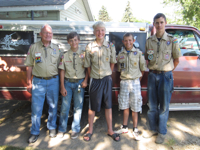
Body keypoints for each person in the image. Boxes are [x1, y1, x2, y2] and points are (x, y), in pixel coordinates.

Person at [143, 13, 181, 144]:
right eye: (157, 22)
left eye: (161, 22)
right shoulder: (149, 41)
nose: (159, 25)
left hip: (165, 76)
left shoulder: (172, 40)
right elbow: (148, 59)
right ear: (154, 24)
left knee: (164, 106)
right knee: (152, 105)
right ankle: (153, 129)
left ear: (165, 23)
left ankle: (162, 132)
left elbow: (176, 60)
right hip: (152, 75)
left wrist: (168, 71)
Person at [83, 21, 120, 142]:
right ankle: (90, 130)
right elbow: (87, 65)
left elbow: (113, 61)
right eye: (98, 30)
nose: (100, 32)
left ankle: (110, 130)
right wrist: (89, 78)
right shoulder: (89, 47)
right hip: (94, 80)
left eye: (102, 30)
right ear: (94, 32)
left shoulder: (110, 46)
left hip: (107, 79)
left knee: (108, 106)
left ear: (105, 31)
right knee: (92, 107)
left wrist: (109, 72)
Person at [25, 24, 60, 143]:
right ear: (40, 34)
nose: (48, 35)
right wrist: (29, 82)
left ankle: (52, 127)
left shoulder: (57, 48)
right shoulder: (33, 47)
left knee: (53, 107)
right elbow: (29, 66)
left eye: (50, 33)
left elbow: (61, 67)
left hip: (53, 81)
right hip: (38, 81)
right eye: (45, 32)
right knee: (36, 109)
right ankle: (34, 132)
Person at [114, 33, 146, 141]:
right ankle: (124, 127)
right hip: (124, 82)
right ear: (123, 42)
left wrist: (137, 80)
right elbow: (119, 69)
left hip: (135, 82)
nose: (128, 42)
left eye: (130, 40)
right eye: (126, 40)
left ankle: (135, 129)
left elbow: (143, 69)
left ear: (133, 41)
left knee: (135, 106)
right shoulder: (120, 55)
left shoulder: (138, 53)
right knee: (124, 105)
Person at [57, 32, 88, 139]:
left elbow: (88, 68)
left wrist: (86, 80)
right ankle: (61, 129)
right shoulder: (65, 55)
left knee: (78, 107)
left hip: (80, 83)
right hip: (67, 83)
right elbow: (62, 71)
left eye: (75, 40)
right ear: (68, 42)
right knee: (65, 107)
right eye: (71, 40)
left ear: (79, 40)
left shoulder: (84, 54)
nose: (73, 42)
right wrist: (62, 86)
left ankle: (75, 129)